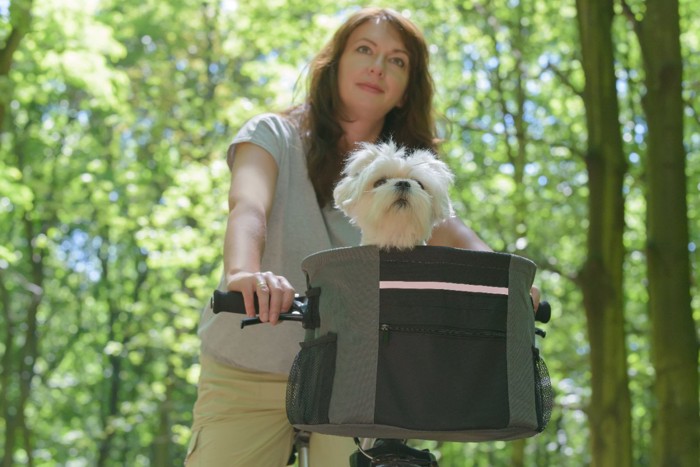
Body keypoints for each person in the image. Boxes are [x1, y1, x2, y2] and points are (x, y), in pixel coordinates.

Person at [185, 7, 501, 466]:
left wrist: (509, 287)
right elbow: (248, 206)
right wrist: (244, 272)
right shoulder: (273, 134)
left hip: (356, 378)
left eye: (397, 61)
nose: (377, 66)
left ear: (404, 92)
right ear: (334, 65)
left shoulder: (406, 179)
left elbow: (466, 243)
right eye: (365, 50)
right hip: (248, 365)